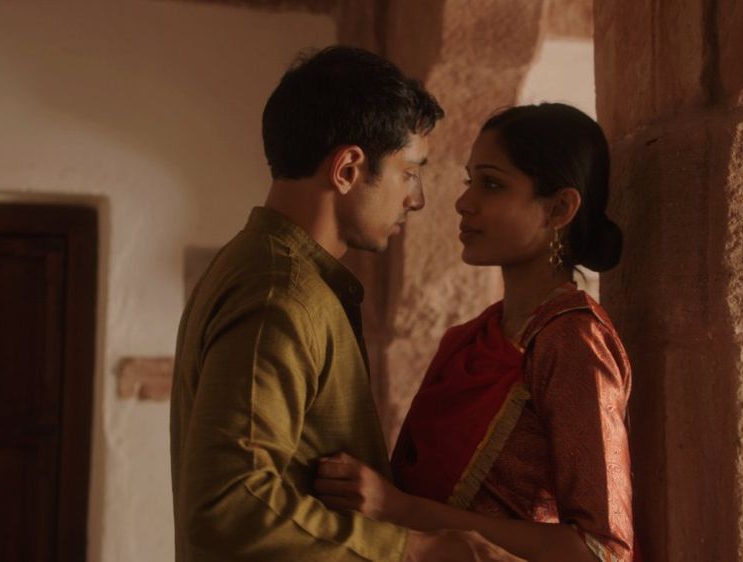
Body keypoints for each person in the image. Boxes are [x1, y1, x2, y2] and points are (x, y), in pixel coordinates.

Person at [170, 46, 523, 562]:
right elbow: (229, 504)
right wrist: (420, 550)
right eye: (409, 172)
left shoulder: (267, 270)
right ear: (348, 169)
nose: (417, 198)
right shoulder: (280, 293)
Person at [314, 103, 636, 562]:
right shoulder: (471, 339)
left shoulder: (572, 342)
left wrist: (402, 509)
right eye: (470, 182)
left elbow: (601, 550)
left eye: (492, 184)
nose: (464, 202)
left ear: (560, 208)